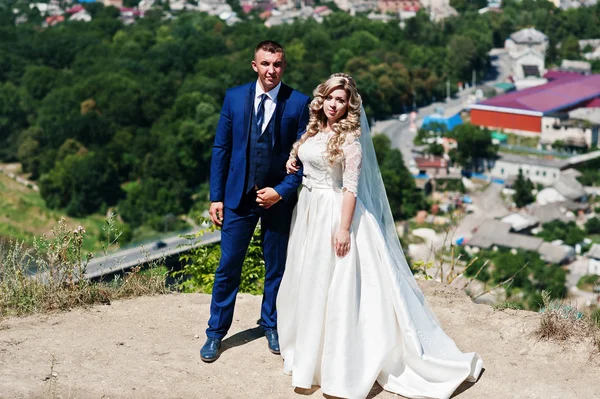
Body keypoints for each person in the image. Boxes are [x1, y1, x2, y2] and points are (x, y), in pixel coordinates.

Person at [277, 74, 483, 399]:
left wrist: (343, 229)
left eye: (341, 100)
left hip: (334, 213)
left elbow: (350, 189)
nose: (334, 104)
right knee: (312, 280)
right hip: (309, 213)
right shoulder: (315, 130)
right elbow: (308, 156)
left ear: (349, 106)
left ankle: (342, 364)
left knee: (338, 284)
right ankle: (310, 356)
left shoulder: (351, 141)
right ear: (323, 99)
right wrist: (294, 159)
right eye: (330, 97)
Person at [201, 40, 310, 363]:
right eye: (265, 64)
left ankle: (271, 324)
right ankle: (215, 333)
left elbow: (305, 159)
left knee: (276, 267)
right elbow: (221, 149)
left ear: (283, 66)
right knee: (228, 267)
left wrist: (283, 190)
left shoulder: (299, 103)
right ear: (255, 66)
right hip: (238, 197)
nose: (271, 70)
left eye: (277, 64)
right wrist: (216, 196)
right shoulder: (235, 97)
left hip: (278, 200)